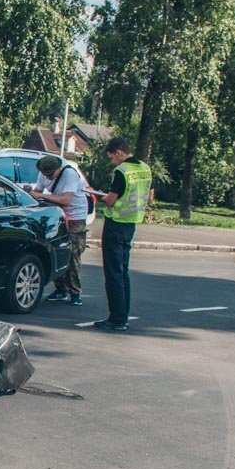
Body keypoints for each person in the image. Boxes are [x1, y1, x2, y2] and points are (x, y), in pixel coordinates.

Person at [94, 137, 152, 332]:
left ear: (119, 152)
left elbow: (111, 200)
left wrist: (97, 195)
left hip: (116, 223)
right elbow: (150, 195)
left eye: (112, 157)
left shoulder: (122, 171)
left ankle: (117, 318)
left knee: (113, 273)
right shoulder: (144, 167)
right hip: (131, 223)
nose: (112, 162)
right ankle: (123, 315)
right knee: (123, 272)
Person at [29, 155, 89, 306]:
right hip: (58, 215)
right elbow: (37, 191)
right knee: (56, 250)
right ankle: (61, 289)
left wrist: (41, 195)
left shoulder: (69, 174)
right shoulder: (43, 173)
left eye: (51, 174)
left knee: (73, 254)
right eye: (45, 174)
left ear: (59, 169)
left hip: (76, 217)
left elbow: (66, 200)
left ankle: (75, 292)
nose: (47, 177)